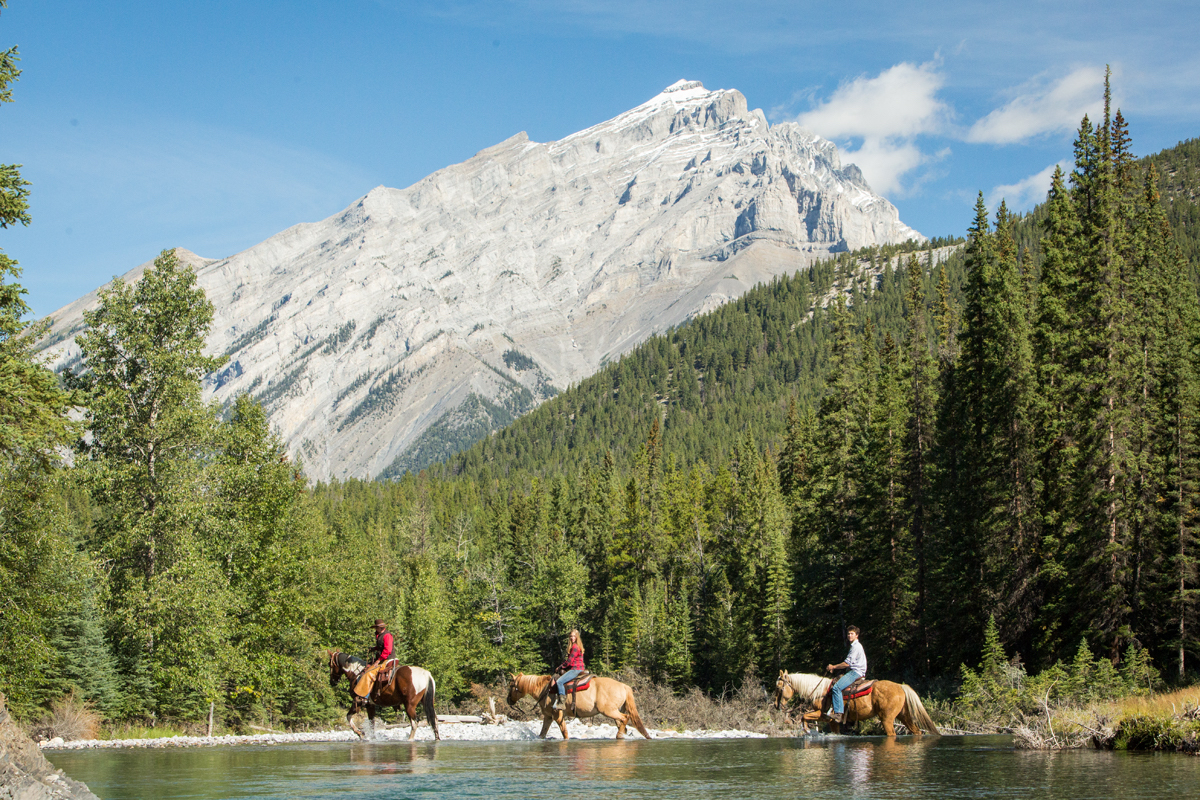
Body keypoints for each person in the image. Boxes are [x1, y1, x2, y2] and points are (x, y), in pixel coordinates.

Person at [825, 625, 866, 724]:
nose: (849, 635)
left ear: (857, 635)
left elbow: (847, 663)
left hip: (855, 672)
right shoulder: (855, 646)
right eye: (848, 634)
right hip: (855, 671)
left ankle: (838, 714)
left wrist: (833, 667)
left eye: (852, 634)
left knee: (836, 688)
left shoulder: (856, 647)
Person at [353, 620, 395, 699]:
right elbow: (381, 646)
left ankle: (365, 696)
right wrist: (374, 648)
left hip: (386, 659)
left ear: (380, 627)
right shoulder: (380, 634)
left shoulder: (387, 635)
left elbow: (387, 650)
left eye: (376, 627)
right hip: (382, 658)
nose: (375, 629)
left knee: (368, 673)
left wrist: (378, 660)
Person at [551, 629, 585, 710]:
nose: (572, 638)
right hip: (578, 668)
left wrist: (560, 667)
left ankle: (562, 703)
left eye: (574, 636)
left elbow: (569, 661)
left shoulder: (575, 647)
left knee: (559, 682)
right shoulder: (577, 646)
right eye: (571, 636)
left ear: (577, 637)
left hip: (575, 669)